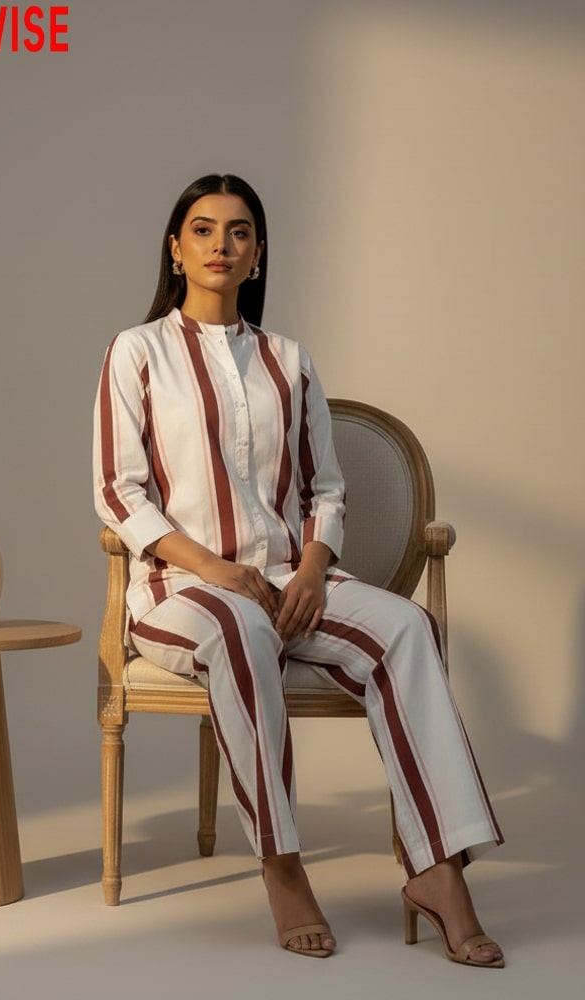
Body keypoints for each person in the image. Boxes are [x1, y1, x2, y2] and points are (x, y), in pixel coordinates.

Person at [93, 173, 504, 966]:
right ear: (175, 249)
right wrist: (214, 566)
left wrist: (315, 568)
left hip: (290, 581)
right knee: (240, 622)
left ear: (257, 252)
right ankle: (282, 866)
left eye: (239, 231)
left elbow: (327, 487)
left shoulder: (288, 360)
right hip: (180, 591)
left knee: (407, 627)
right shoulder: (135, 353)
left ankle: (440, 871)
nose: (222, 244)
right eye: (204, 229)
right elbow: (119, 492)